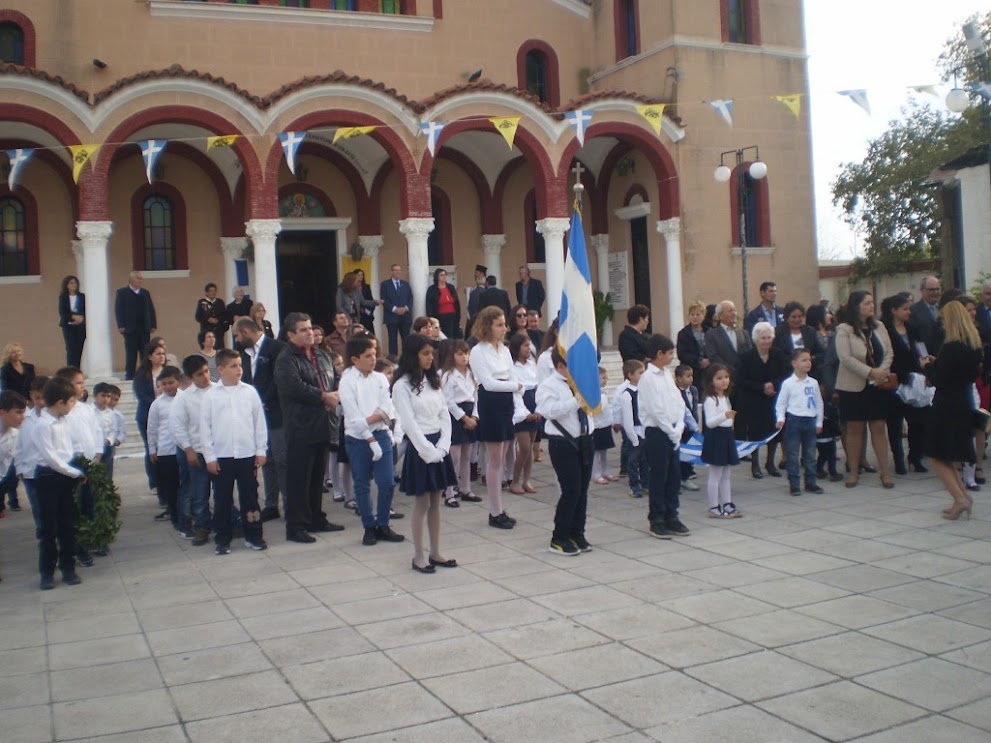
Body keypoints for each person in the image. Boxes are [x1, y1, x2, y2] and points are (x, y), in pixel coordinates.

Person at [274, 312, 344, 544]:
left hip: (323, 424)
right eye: (303, 330)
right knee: (299, 481)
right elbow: (294, 387)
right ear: (291, 334)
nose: (310, 333)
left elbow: (334, 378)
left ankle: (316, 518)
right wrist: (324, 396)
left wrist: (335, 394)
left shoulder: (321, 354)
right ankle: (295, 526)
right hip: (301, 427)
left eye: (310, 328)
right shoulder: (286, 359)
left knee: (316, 479)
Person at [391, 334, 458, 573]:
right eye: (425, 353)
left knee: (436, 501)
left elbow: (444, 414)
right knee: (422, 502)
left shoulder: (432, 381)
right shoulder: (401, 386)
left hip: (438, 443)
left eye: (432, 353)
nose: (430, 358)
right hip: (421, 448)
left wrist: (443, 445)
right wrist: (428, 451)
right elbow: (409, 423)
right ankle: (419, 555)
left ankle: (436, 551)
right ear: (413, 356)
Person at [200, 349, 269, 554]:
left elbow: (259, 423)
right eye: (233, 366)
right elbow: (205, 428)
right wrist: (209, 457)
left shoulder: (249, 392)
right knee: (222, 499)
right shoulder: (211, 396)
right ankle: (222, 538)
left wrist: (261, 449)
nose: (239, 369)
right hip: (222, 455)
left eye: (240, 365)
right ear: (221, 369)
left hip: (247, 454)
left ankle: (253, 535)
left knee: (250, 497)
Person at [340, 335, 405, 546]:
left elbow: (387, 409)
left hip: (381, 434)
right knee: (362, 483)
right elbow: (353, 417)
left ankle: (383, 524)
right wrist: (369, 433)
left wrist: (369, 420)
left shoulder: (379, 379)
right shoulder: (347, 381)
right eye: (368, 356)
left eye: (374, 354)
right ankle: (369, 526)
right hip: (357, 439)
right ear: (355, 359)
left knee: (387, 482)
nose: (373, 359)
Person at [922, 301, 983, 520]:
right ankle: (963, 496)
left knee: (936, 454)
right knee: (948, 453)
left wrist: (927, 366)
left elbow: (939, 379)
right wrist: (939, 363)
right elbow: (963, 372)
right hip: (963, 401)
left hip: (946, 404)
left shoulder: (951, 346)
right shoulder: (974, 345)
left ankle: (959, 498)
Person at [835, 290, 894, 489]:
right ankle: (853, 471)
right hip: (854, 386)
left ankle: (885, 472)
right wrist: (870, 372)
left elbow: (889, 352)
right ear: (857, 306)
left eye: (872, 302)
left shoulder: (880, 327)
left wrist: (882, 372)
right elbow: (845, 358)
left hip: (878, 385)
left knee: (878, 427)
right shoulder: (844, 329)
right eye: (867, 303)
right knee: (854, 429)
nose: (872, 306)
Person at [469, 307, 522, 529]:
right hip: (490, 402)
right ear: (487, 326)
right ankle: (495, 510)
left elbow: (512, 374)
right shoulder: (478, 351)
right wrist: (515, 386)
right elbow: (488, 383)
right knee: (494, 459)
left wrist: (515, 387)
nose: (504, 328)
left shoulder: (504, 350)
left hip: (506, 402)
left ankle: (500, 508)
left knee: (503, 455)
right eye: (499, 325)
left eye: (504, 324)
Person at [538, 348, 594, 555]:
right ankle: (559, 537)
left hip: (585, 438)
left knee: (583, 490)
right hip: (563, 442)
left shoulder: (580, 382)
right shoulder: (548, 385)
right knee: (571, 490)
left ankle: (577, 532)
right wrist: (576, 401)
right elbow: (548, 411)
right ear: (560, 366)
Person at [33, 376, 87, 590]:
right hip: (49, 477)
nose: (73, 406)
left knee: (67, 524)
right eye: (71, 402)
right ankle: (47, 573)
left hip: (66, 475)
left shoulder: (65, 421)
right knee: (49, 528)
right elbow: (51, 458)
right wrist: (75, 472)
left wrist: (78, 465)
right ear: (59, 402)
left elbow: (71, 447)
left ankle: (68, 568)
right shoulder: (42, 425)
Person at [237, 317, 288, 523]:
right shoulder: (244, 354)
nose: (237, 340)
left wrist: (262, 401)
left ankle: (289, 504)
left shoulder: (276, 348)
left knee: (282, 460)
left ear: (246, 331)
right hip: (257, 418)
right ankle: (271, 504)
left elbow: (279, 380)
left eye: (237, 335)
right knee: (266, 460)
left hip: (276, 413)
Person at [639, 334, 688, 539]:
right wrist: (670, 430)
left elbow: (678, 401)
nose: (671, 357)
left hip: (673, 430)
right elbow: (655, 409)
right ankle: (657, 518)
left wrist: (679, 426)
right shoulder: (647, 378)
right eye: (669, 353)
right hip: (657, 432)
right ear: (659, 354)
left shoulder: (667, 374)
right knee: (659, 476)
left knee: (674, 475)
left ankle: (671, 515)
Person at [881, 294, 931, 475]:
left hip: (914, 378)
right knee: (895, 423)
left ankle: (915, 456)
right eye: (904, 309)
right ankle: (898, 459)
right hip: (895, 380)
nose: (908, 312)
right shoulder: (885, 330)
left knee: (918, 422)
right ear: (894, 310)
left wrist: (924, 365)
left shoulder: (912, 328)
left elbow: (921, 349)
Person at [735, 322, 788, 479]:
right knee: (755, 433)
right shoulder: (746, 357)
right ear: (756, 339)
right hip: (753, 400)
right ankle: (755, 464)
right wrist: (761, 387)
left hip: (773, 399)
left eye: (769, 337)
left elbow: (785, 374)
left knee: (773, 431)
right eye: (763, 338)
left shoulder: (778, 355)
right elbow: (740, 380)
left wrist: (774, 384)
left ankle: (770, 463)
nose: (766, 341)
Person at [173, 355, 216, 546]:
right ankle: (202, 527)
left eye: (206, 371)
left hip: (218, 450)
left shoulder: (218, 390)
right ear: (190, 377)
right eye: (200, 374)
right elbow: (178, 427)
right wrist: (188, 450)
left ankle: (226, 522)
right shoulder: (184, 398)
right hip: (198, 451)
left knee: (223, 491)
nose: (205, 376)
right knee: (200, 493)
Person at [776, 349, 825, 496]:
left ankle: (810, 482)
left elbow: (819, 403)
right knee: (792, 454)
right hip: (794, 421)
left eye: (809, 359)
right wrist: (780, 418)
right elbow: (781, 403)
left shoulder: (813, 383)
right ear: (794, 363)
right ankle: (794, 484)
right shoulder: (788, 383)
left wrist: (819, 422)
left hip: (810, 421)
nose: (808, 363)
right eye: (804, 360)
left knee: (810, 454)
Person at [439, 339, 482, 507]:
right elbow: (448, 401)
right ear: (453, 356)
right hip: (456, 416)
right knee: (454, 456)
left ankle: (466, 489)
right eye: (460, 354)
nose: (464, 357)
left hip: (471, 412)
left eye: (466, 353)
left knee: (467, 455)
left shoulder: (472, 374)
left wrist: (475, 417)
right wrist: (464, 418)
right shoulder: (448, 375)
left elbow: (476, 396)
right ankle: (449, 492)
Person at [700, 364, 742, 518]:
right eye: (719, 378)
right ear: (711, 381)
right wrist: (725, 416)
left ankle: (727, 503)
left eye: (726, 377)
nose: (724, 381)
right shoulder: (710, 399)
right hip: (716, 437)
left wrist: (730, 421)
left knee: (726, 475)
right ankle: (713, 507)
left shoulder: (724, 397)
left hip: (726, 435)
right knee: (715, 474)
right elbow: (710, 423)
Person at [147, 366, 182, 531]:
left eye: (171, 383)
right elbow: (152, 428)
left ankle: (189, 513)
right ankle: (175, 516)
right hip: (166, 451)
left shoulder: (185, 398)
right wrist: (152, 449)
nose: (168, 386)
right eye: (164, 384)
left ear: (178, 382)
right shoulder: (157, 404)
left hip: (185, 449)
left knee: (186, 485)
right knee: (171, 486)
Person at [134, 342, 167, 508]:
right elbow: (141, 395)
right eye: (158, 354)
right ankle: (154, 481)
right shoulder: (142, 375)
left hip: (167, 416)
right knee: (151, 448)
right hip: (147, 416)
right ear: (150, 356)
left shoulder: (167, 372)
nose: (162, 357)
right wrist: (156, 405)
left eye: (163, 353)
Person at [509, 332, 540, 494]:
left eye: (529, 345)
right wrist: (525, 412)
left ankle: (526, 480)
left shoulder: (532, 364)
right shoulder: (512, 366)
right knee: (525, 447)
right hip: (520, 405)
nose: (529, 348)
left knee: (531, 446)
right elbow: (516, 391)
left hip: (533, 402)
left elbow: (538, 385)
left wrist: (538, 408)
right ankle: (514, 480)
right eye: (525, 345)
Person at [115, 271, 158, 380]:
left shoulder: (145, 293)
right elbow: (119, 309)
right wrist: (121, 324)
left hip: (144, 328)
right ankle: (129, 376)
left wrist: (153, 324)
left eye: (141, 278)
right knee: (131, 353)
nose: (140, 280)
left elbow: (150, 309)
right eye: (138, 278)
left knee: (145, 352)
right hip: (130, 328)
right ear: (131, 280)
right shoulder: (122, 292)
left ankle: (145, 375)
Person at [617, 360, 648, 498]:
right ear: (630, 375)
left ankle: (645, 484)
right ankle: (634, 486)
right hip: (634, 431)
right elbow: (628, 418)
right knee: (633, 461)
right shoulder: (627, 394)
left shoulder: (643, 391)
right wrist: (633, 437)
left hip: (644, 430)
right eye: (640, 372)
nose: (643, 375)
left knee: (645, 460)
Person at [773, 301, 823, 377]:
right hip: (786, 374)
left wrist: (808, 359)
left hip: (810, 374)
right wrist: (796, 362)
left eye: (800, 316)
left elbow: (821, 352)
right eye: (793, 317)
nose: (797, 320)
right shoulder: (778, 332)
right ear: (786, 317)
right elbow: (777, 354)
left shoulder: (810, 331)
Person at [704, 300, 752, 376]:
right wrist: (730, 370)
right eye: (730, 311)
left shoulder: (744, 333)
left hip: (744, 375)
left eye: (735, 310)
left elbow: (749, 353)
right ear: (720, 316)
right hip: (723, 375)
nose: (734, 313)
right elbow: (713, 356)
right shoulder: (711, 334)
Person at [0, 391, 26, 522]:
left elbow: (4, 467)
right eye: (18, 412)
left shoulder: (15, 435)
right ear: (2, 412)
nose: (23, 417)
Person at [674, 364, 701, 491]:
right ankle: (680, 477)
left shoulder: (694, 390)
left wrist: (696, 424)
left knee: (689, 452)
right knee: (680, 453)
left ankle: (687, 474)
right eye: (688, 376)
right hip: (680, 427)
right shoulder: (675, 392)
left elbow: (694, 408)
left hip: (692, 426)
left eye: (692, 376)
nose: (691, 378)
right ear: (679, 378)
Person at [381, 264, 414, 355]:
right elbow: (384, 299)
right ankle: (393, 359)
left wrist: (406, 308)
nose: (398, 272)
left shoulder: (405, 284)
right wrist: (395, 309)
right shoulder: (385, 284)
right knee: (392, 339)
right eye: (395, 270)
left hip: (405, 316)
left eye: (399, 270)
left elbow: (410, 298)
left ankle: (406, 357)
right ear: (391, 272)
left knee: (406, 339)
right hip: (392, 317)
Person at [676, 300, 710, 383]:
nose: (695, 317)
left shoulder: (708, 331)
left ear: (703, 316)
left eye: (698, 314)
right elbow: (682, 354)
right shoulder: (683, 333)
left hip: (708, 370)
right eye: (692, 314)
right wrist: (699, 361)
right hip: (691, 370)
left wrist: (709, 360)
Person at [909, 275, 942, 355]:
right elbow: (914, 339)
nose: (935, 292)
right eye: (931, 290)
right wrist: (924, 356)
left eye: (938, 289)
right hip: (926, 357)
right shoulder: (913, 311)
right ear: (922, 290)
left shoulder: (945, 308)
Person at [58, 275, 86, 368]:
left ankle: (77, 369)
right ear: (67, 285)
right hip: (68, 327)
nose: (74, 285)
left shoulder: (82, 297)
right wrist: (73, 317)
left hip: (81, 327)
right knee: (71, 349)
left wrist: (81, 319)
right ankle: (71, 370)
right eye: (71, 283)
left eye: (75, 283)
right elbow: (62, 312)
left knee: (79, 349)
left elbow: (86, 310)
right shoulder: (63, 297)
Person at [426, 268, 462, 340]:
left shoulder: (451, 287)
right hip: (440, 318)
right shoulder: (432, 289)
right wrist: (432, 319)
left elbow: (456, 302)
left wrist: (458, 316)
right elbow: (429, 305)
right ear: (437, 277)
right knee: (443, 337)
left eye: (445, 275)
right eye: (442, 275)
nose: (444, 277)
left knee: (453, 336)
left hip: (453, 317)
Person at [196, 283, 229, 349]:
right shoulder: (202, 302)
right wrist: (208, 319)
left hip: (218, 332)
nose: (213, 292)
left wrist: (218, 320)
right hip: (206, 331)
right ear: (206, 292)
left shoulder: (220, 302)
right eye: (211, 291)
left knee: (219, 350)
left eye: (214, 290)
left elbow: (225, 315)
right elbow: (198, 317)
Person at [464, 264, 489, 337]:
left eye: (476, 272)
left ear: (481, 273)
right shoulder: (476, 287)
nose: (475, 274)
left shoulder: (485, 285)